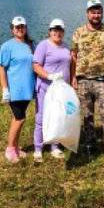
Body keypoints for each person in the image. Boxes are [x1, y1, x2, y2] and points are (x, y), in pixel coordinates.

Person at [71, 0, 104, 162]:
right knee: (87, 116)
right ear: (87, 13)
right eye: (93, 12)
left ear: (102, 13)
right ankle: (89, 145)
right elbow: (74, 56)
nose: (96, 15)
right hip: (83, 81)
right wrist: (73, 77)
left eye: (98, 12)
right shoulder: (78, 32)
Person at [32, 18, 72, 162]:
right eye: (54, 30)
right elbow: (36, 66)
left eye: (60, 30)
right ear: (49, 31)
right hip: (45, 88)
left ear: (63, 32)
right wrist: (49, 76)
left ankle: (55, 146)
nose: (57, 33)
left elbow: (70, 66)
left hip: (61, 89)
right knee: (41, 117)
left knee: (58, 117)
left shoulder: (66, 47)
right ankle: (38, 148)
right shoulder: (43, 45)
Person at [0, 16, 36, 163]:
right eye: (17, 27)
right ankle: (9, 149)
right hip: (14, 90)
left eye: (22, 26)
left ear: (26, 28)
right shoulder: (7, 46)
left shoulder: (30, 45)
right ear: (12, 29)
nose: (20, 29)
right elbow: (1, 67)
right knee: (19, 119)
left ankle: (15, 147)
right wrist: (5, 89)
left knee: (20, 118)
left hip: (27, 89)